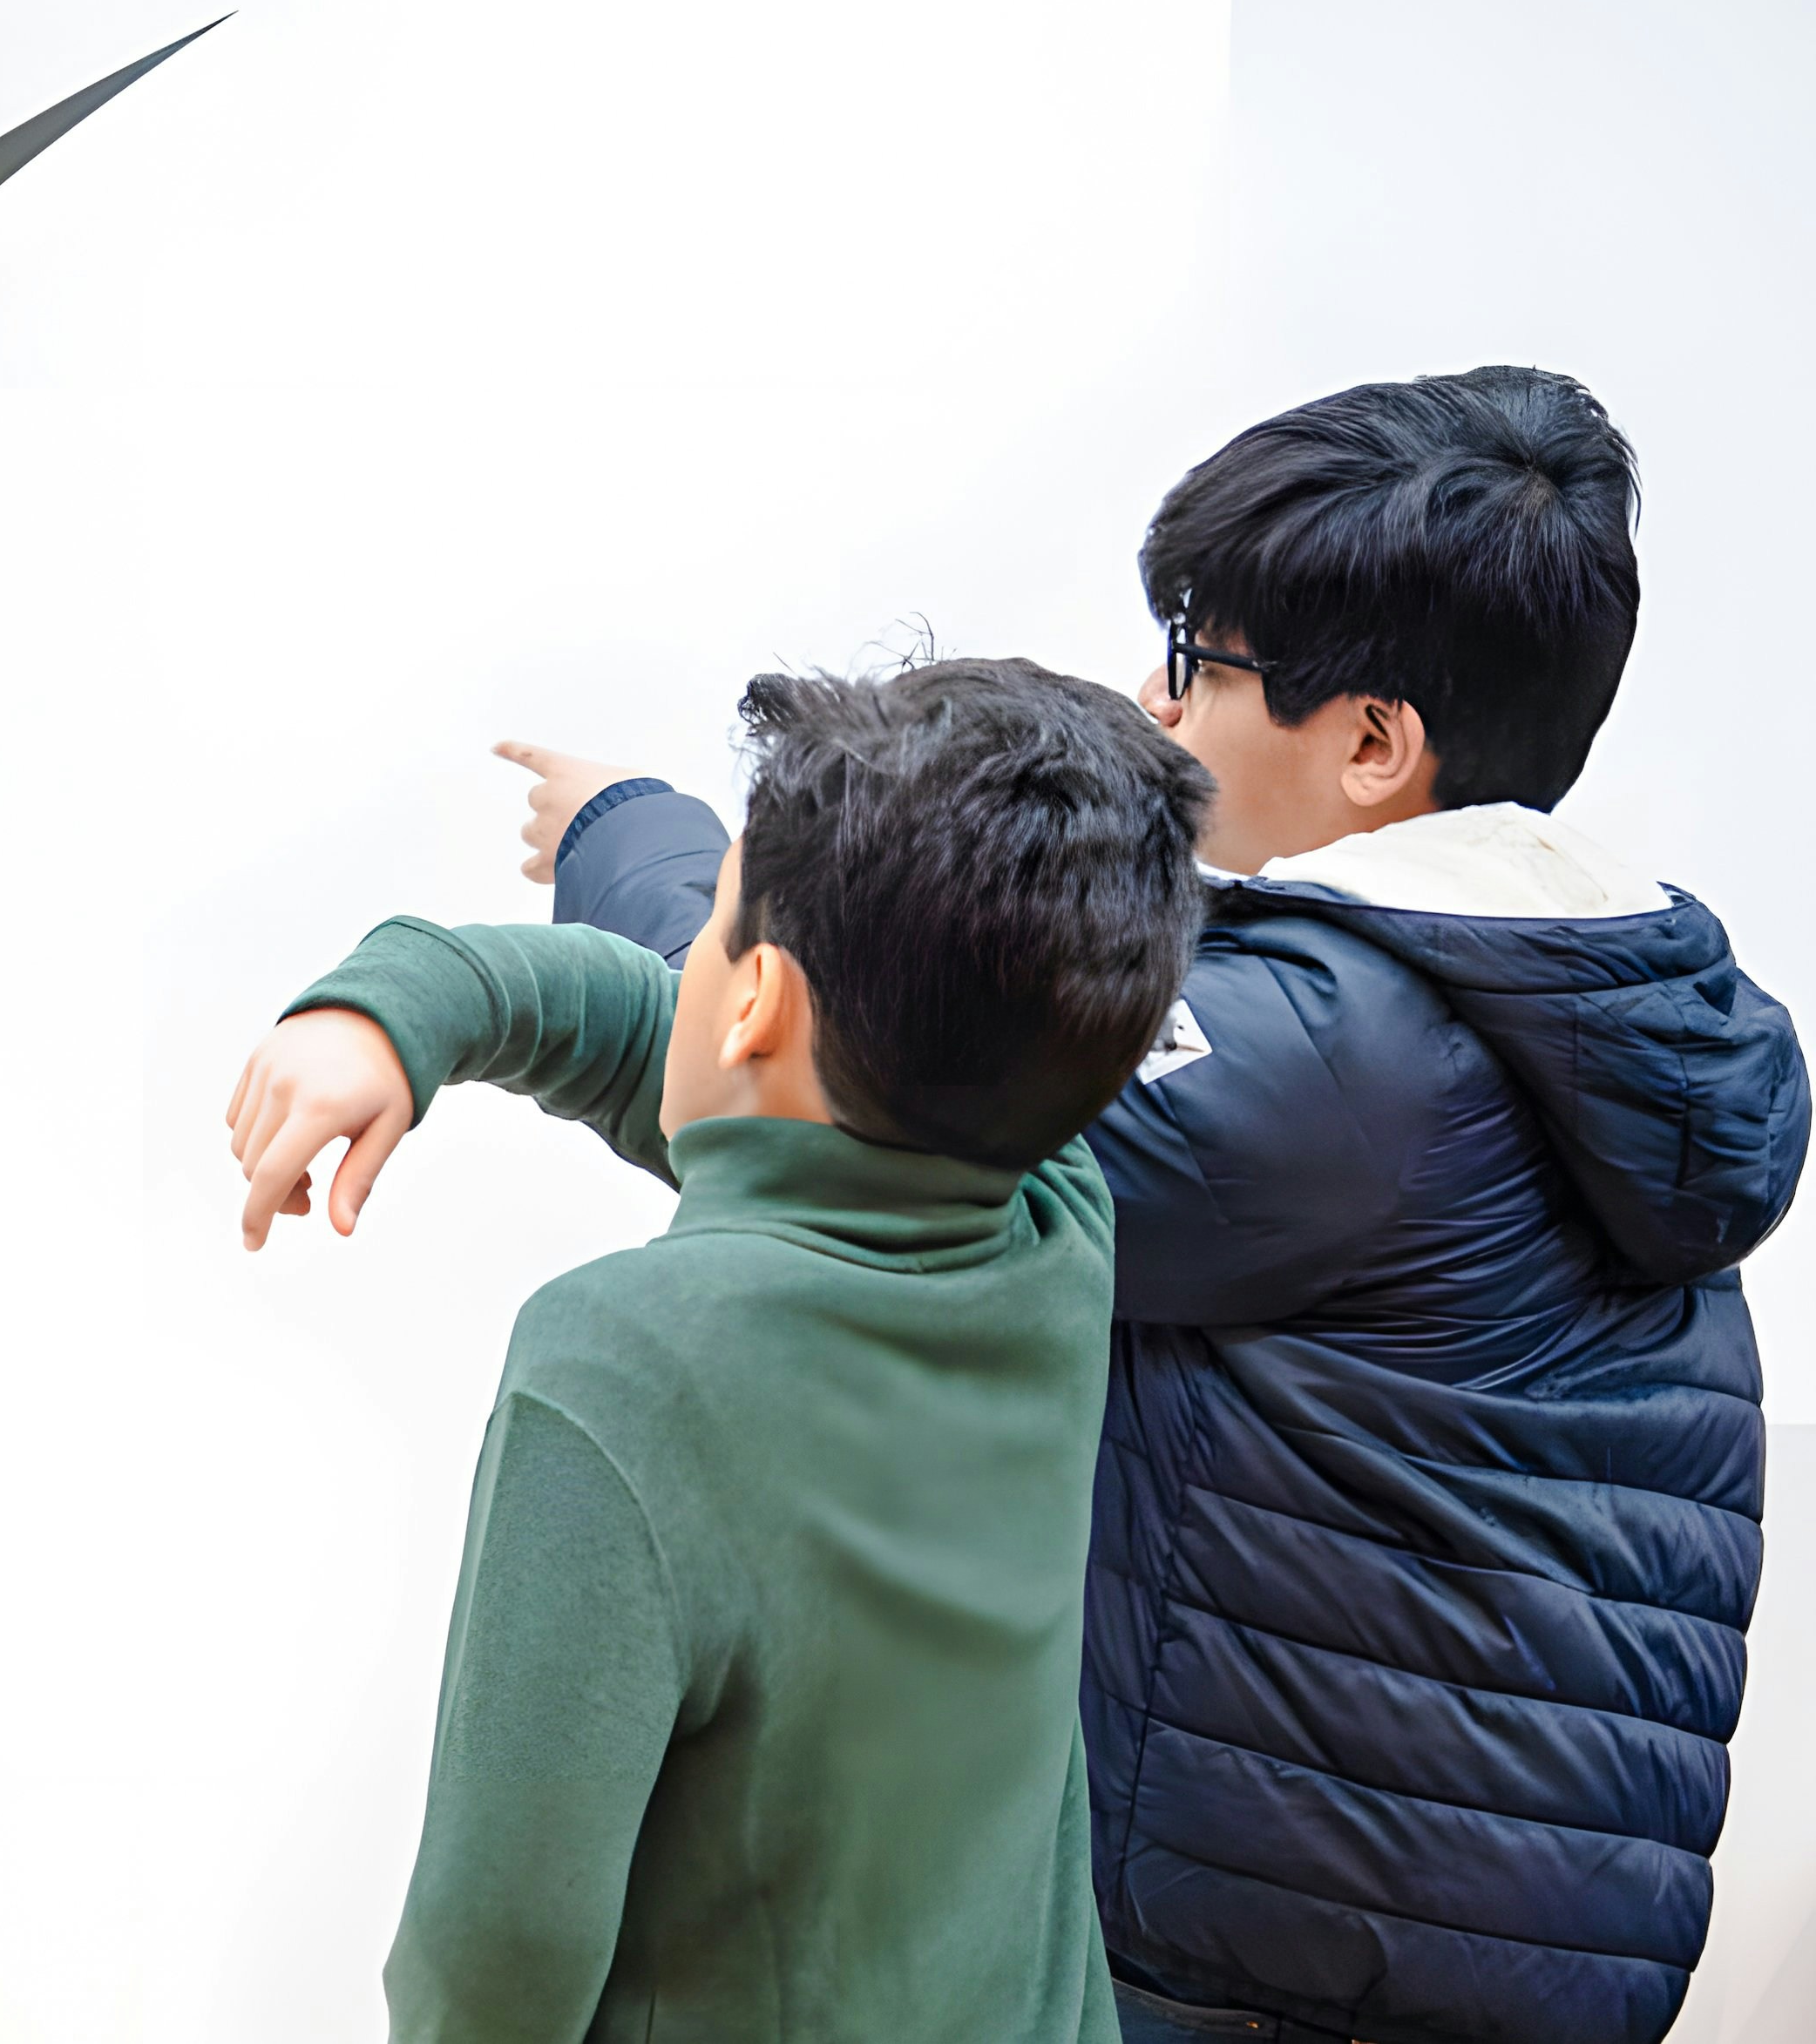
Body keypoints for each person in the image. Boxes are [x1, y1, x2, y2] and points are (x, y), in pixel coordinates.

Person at [497, 369, 1807, 2044]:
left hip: (1256, 1990)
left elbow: (838, 1067)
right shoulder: (1574, 1008)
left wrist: (636, 846)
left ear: (1374, 745)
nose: (1154, 702)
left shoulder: (1339, 1058)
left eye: (1201, 662)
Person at [232, 656, 1213, 2042]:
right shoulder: (1057, 1220)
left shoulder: (626, 1368)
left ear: (752, 1003)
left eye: (706, 936)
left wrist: (407, 984)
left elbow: (499, 1952)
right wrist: (419, 999)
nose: (678, 964)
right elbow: (718, 1080)